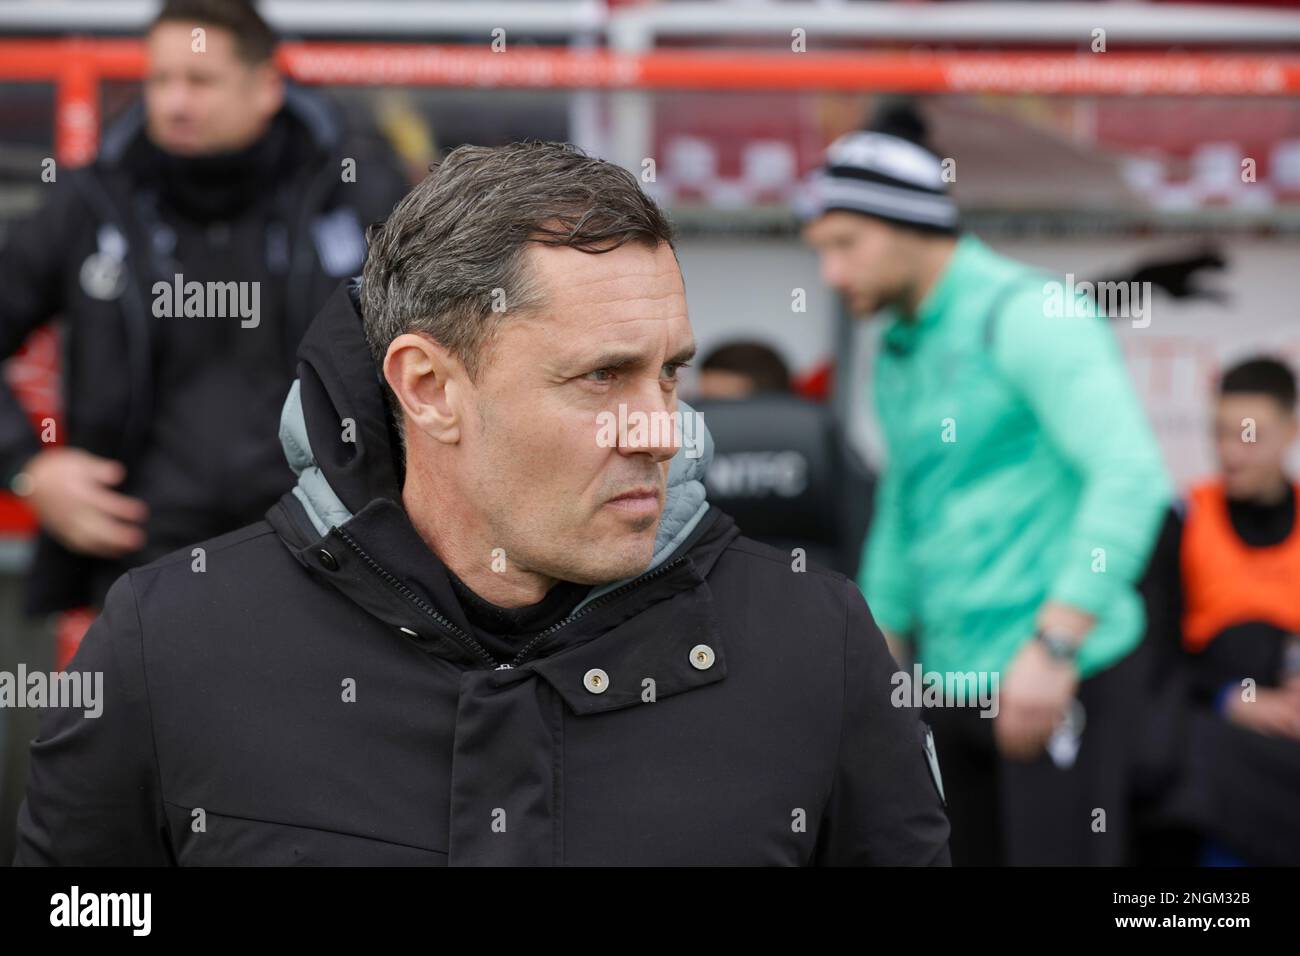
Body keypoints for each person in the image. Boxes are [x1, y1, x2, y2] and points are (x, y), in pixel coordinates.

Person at [13, 141, 950, 866]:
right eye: (602, 378)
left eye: (669, 375)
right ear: (427, 387)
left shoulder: (812, 646)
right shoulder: (172, 645)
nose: (661, 430)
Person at [800, 104, 1172, 865]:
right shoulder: (901, 344)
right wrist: (883, 663)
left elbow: (1130, 476)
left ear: (909, 225)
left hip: (1059, 673)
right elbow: (908, 505)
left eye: (845, 245)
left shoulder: (1029, 313)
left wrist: (1055, 645)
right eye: (820, 251)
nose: (830, 274)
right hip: (950, 682)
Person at [0, 0, 408, 616]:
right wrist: (28, 470)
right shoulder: (94, 200)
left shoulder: (358, 194)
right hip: (138, 566)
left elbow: (451, 342)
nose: (174, 102)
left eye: (199, 80)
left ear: (267, 86)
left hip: (328, 559)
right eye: (159, 80)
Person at [1168, 356, 1300, 865]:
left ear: (1289, 432)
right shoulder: (1184, 519)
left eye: (1248, 436)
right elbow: (1156, 657)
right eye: (1220, 433)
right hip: (1216, 742)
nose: (1229, 453)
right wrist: (1230, 699)